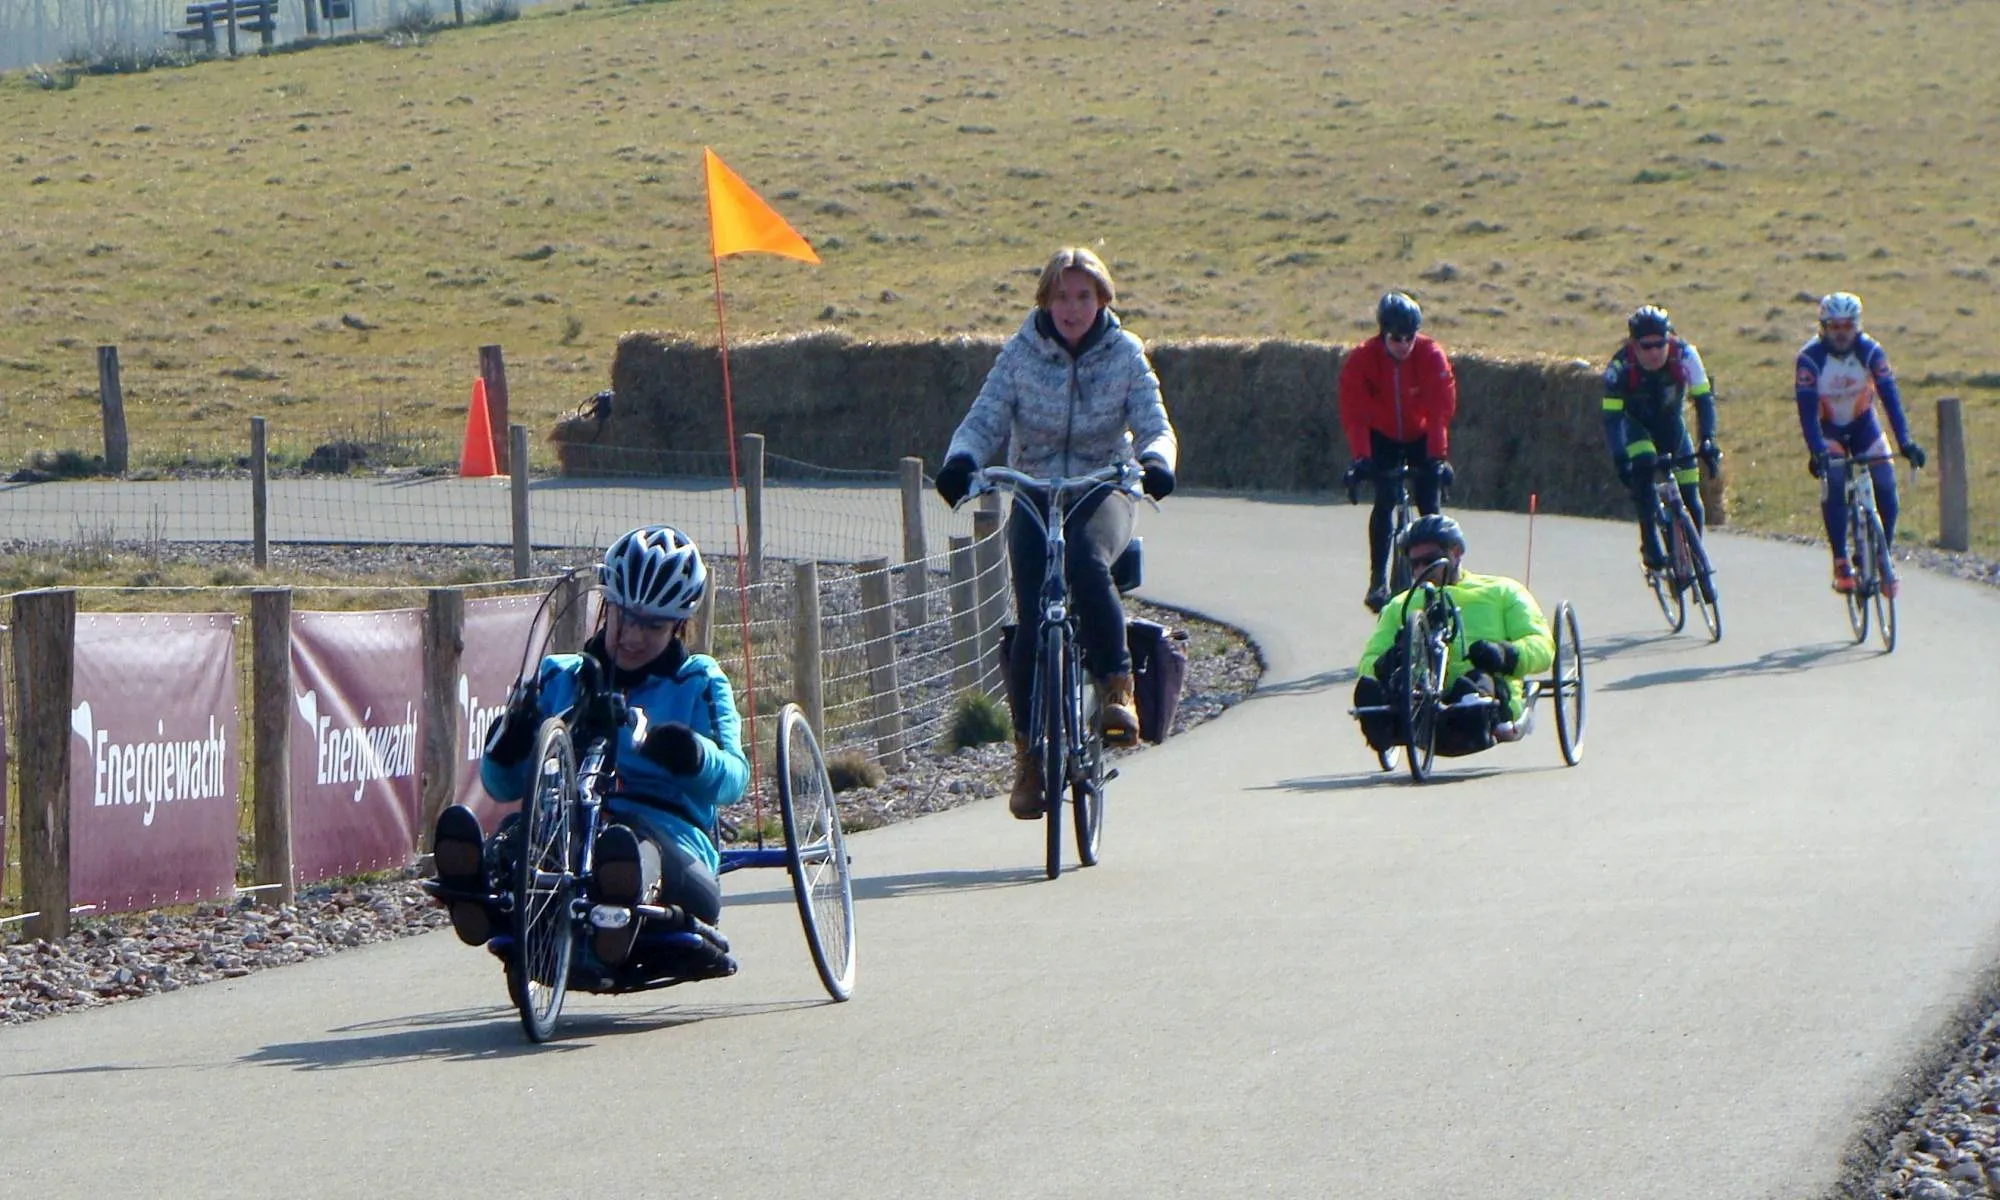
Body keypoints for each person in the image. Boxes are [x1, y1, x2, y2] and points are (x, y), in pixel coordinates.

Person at [430, 525, 749, 970]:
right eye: (625, 617)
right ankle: (476, 889)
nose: (633, 636)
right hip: (565, 828)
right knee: (518, 836)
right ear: (607, 607)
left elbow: (734, 778)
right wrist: (508, 745)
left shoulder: (698, 680)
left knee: (628, 849)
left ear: (678, 624)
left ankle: (616, 908)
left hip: (667, 833)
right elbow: (500, 786)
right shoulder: (558, 676)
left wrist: (691, 753)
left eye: (653, 626)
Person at [932, 246, 1178, 820]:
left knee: (1087, 562)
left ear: (1102, 300)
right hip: (1035, 489)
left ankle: (1117, 689)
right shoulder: (1020, 354)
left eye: (1083, 296)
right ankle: (1027, 757)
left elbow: (1153, 420)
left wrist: (1156, 461)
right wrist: (961, 460)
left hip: (1103, 486)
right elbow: (984, 417)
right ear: (1044, 300)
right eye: (1061, 296)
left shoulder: (1125, 353)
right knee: (1029, 619)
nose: (1072, 308)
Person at [1351, 515, 1553, 759]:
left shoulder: (1502, 591)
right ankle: (1388, 727)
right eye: (1414, 563)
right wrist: (1389, 660)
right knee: (1368, 687)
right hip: (1417, 698)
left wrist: (1504, 654)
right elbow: (1369, 660)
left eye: (1430, 561)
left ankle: (1470, 710)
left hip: (1482, 691)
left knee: (1476, 682)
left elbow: (1541, 645)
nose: (1420, 570)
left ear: (1455, 553)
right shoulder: (1399, 606)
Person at [1795, 291, 1926, 596]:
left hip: (1863, 425)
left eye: (1848, 326)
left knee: (1885, 479)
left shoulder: (1870, 352)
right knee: (1835, 480)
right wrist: (1817, 451)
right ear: (1823, 328)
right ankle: (1841, 560)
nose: (1841, 334)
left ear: (1857, 326)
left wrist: (1905, 441)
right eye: (1834, 327)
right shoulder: (1809, 359)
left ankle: (1883, 555)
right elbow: (1807, 414)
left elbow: (1890, 398)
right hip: (1830, 429)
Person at [1338, 291, 1458, 613]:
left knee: (1429, 505)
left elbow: (1440, 410)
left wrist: (1438, 457)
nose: (1404, 345)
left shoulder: (1431, 355)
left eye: (1409, 337)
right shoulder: (1362, 360)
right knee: (1386, 499)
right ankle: (1378, 578)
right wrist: (1361, 458)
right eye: (1396, 338)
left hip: (1421, 434)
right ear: (1382, 334)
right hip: (1383, 435)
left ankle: (1440, 579)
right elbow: (1354, 413)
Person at [1601, 304, 1720, 573]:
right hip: (1637, 426)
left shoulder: (1685, 355)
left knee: (1692, 499)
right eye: (1647, 346)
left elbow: (1704, 400)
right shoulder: (1619, 368)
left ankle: (1692, 561)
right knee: (1643, 468)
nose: (1655, 352)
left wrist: (1708, 440)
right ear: (1634, 345)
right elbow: (1612, 418)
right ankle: (1650, 543)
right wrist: (1621, 459)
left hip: (1671, 426)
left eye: (1660, 344)